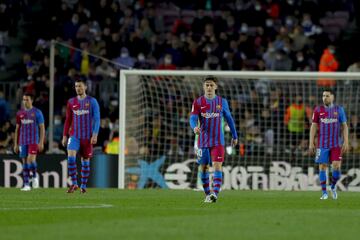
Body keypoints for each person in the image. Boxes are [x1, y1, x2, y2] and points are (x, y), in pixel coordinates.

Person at [189, 76, 238, 203]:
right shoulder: (198, 102)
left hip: (218, 141)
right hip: (203, 141)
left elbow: (229, 119)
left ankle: (214, 194)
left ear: (216, 87)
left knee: (217, 166)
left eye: (211, 85)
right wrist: (194, 128)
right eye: (207, 85)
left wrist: (235, 135)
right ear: (203, 87)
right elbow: (192, 118)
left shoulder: (222, 102)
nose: (209, 87)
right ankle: (207, 194)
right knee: (204, 167)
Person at [62, 78, 100, 194]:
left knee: (85, 161)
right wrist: (64, 135)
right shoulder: (71, 102)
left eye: (80, 86)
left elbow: (97, 119)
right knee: (71, 157)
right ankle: (74, 184)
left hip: (87, 137)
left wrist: (95, 134)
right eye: (76, 86)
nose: (78, 88)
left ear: (85, 87)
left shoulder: (92, 101)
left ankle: (83, 185)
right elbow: (68, 120)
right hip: (74, 135)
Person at [309, 89, 349, 200]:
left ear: (332, 97)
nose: (324, 97)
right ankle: (324, 193)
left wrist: (346, 141)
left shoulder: (339, 110)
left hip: (336, 144)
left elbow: (344, 126)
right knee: (322, 166)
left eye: (327, 95)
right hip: (322, 144)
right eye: (323, 95)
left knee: (336, 166)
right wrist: (311, 142)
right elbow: (314, 126)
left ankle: (333, 186)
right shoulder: (318, 110)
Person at [13, 93, 45, 191]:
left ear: (32, 100)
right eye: (24, 99)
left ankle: (35, 176)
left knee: (31, 159)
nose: (25, 101)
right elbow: (17, 129)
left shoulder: (37, 112)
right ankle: (26, 184)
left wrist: (41, 142)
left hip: (33, 140)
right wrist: (16, 144)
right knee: (24, 162)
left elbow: (42, 128)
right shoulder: (20, 113)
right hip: (23, 141)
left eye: (27, 99)